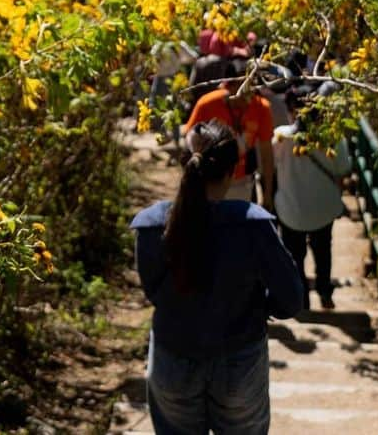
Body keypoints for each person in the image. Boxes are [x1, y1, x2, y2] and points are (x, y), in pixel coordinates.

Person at [131, 120, 304, 434]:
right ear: (232, 170)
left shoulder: (152, 225)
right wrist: (261, 308)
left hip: (173, 357)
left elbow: (154, 291)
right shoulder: (253, 224)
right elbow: (291, 298)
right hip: (239, 361)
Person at [272, 86, 352, 310]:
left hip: (290, 207)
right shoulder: (332, 137)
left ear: (290, 110)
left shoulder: (280, 137)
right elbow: (343, 168)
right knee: (323, 250)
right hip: (323, 206)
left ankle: (302, 299)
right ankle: (325, 291)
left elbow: (270, 166)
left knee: (294, 255)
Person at [182, 60, 275, 208]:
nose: (249, 93)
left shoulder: (261, 108)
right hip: (208, 181)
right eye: (243, 87)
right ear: (228, 86)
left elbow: (267, 155)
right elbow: (188, 142)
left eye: (252, 86)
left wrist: (268, 193)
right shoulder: (207, 104)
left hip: (241, 183)